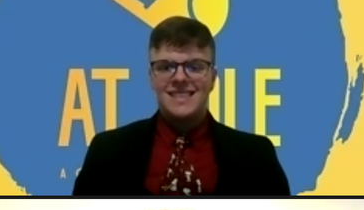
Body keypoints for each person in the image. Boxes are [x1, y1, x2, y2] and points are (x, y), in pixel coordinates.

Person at [72, 17, 289, 196]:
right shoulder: (107, 152)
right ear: (151, 78)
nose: (180, 78)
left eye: (195, 67)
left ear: (213, 78)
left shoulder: (258, 157)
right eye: (166, 67)